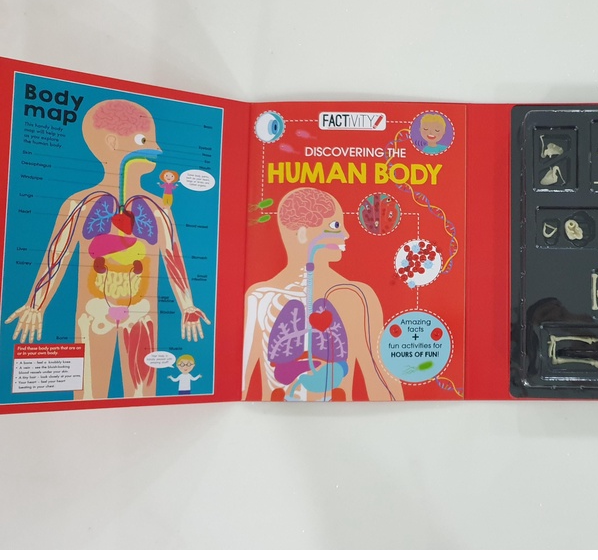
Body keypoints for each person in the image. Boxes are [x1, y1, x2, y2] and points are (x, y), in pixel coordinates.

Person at [5, 99, 210, 400]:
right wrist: (36, 305)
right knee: (88, 396)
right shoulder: (80, 204)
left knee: (143, 399)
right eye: (144, 141)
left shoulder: (159, 209)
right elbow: (57, 256)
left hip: (141, 314)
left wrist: (188, 306)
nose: (157, 149)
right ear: (113, 143)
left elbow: (173, 258)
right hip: (93, 312)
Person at [242, 186, 403, 402]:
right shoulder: (259, 297)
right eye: (335, 226)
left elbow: (382, 379)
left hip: (340, 416)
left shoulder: (357, 296)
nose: (346, 234)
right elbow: (240, 383)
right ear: (302, 233)